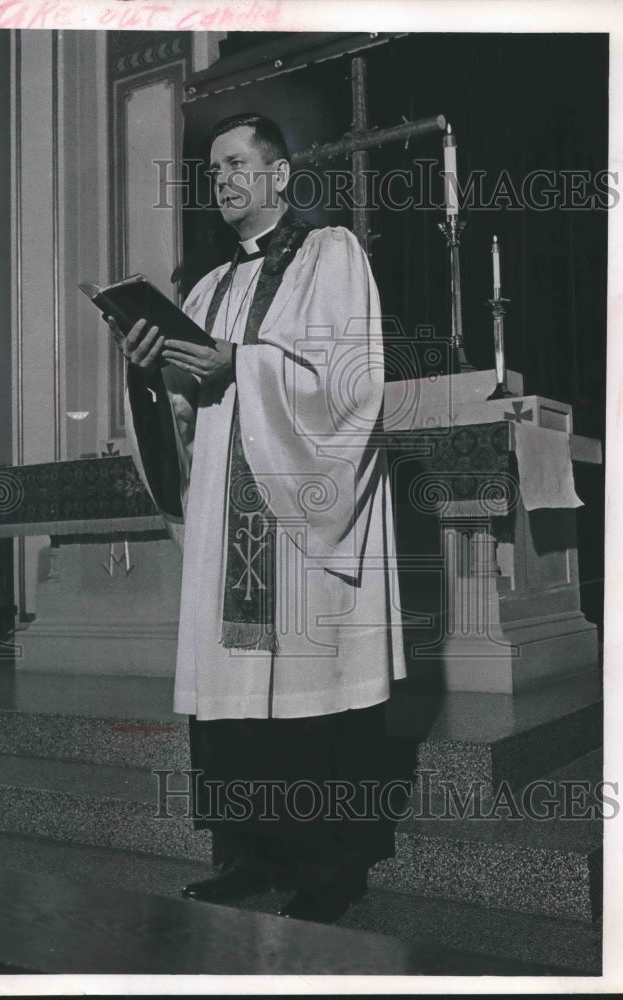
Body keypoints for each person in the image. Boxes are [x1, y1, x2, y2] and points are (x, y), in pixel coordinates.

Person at [113, 112, 406, 924]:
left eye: (239, 164)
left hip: (302, 517)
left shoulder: (332, 256)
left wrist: (241, 364)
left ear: (281, 176)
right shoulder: (204, 289)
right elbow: (183, 418)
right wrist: (149, 374)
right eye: (213, 172)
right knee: (238, 690)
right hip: (228, 516)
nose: (224, 182)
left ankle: (330, 869)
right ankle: (251, 855)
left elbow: (353, 385)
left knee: (309, 690)